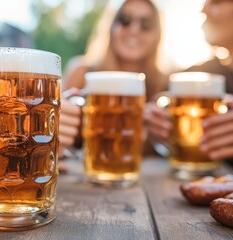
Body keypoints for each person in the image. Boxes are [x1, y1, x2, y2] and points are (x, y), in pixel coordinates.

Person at [60, 0, 167, 155]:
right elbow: (59, 134)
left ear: (157, 35)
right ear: (111, 27)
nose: (134, 30)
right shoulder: (82, 72)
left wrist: (159, 134)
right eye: (125, 20)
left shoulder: (164, 85)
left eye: (146, 24)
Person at [146, 0, 233, 161]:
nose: (204, 9)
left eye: (217, 2)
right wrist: (157, 129)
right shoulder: (201, 73)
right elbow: (160, 103)